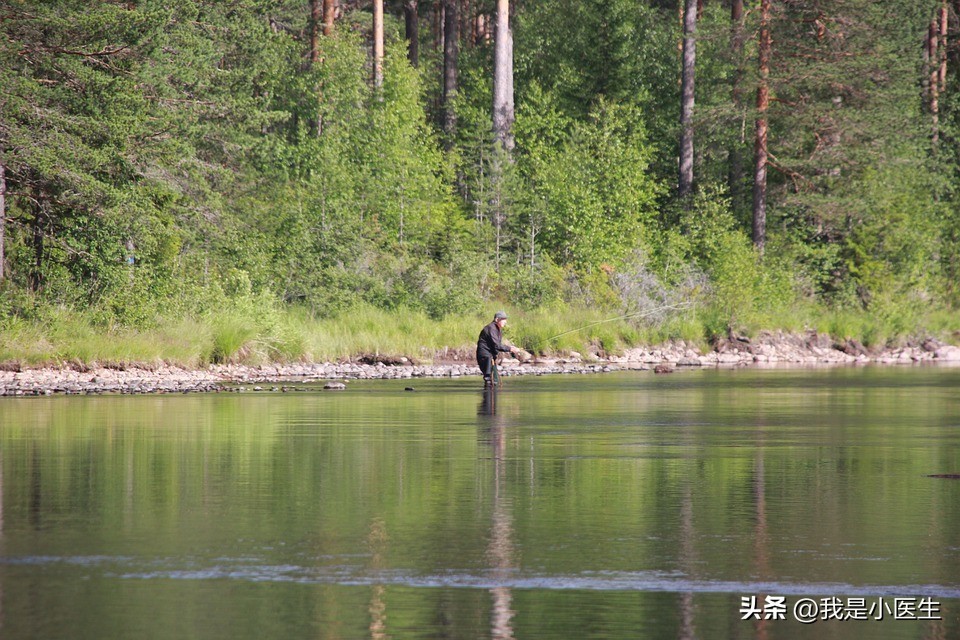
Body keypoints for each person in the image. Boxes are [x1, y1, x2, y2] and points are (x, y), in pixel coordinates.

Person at [476, 311, 520, 386]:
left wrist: (511, 348)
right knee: (489, 379)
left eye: (506, 319)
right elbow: (497, 345)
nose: (505, 322)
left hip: (490, 356)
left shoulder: (496, 328)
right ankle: (489, 395)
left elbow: (496, 345)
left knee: (494, 379)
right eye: (503, 319)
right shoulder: (491, 328)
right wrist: (510, 349)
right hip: (485, 356)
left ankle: (491, 395)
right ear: (497, 319)